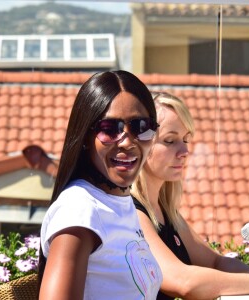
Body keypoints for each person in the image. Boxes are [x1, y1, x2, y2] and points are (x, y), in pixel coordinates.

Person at [131, 92, 249, 300]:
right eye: (170, 141)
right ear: (143, 145)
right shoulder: (132, 212)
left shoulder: (167, 212)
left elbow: (216, 262)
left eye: (186, 139)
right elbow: (182, 281)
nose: (184, 150)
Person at [38, 70, 163, 300]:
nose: (127, 141)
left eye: (141, 126)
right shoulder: (80, 211)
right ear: (86, 136)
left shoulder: (118, 202)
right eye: (110, 128)